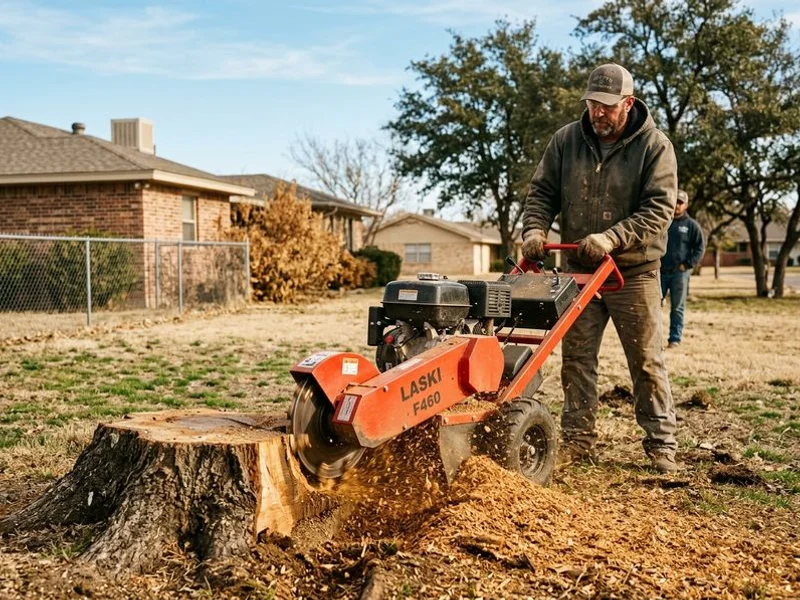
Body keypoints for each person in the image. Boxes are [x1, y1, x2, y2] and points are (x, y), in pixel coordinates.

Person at [521, 63, 679, 473]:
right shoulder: (566, 141)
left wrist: (612, 237)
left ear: (628, 103)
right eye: (592, 104)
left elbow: (659, 210)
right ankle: (579, 441)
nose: (598, 113)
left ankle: (662, 445)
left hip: (633, 272)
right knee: (576, 359)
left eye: (607, 106)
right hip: (580, 271)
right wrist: (535, 228)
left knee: (645, 360)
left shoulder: (654, 146)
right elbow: (541, 192)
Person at [661, 190, 706, 349]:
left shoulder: (691, 225)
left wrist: (687, 265)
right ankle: (652, 340)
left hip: (679, 274)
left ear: (686, 205)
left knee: (677, 308)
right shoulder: (663, 221)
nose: (677, 206)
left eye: (680, 203)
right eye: (675, 202)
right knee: (652, 307)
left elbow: (700, 248)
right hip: (659, 272)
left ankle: (674, 339)